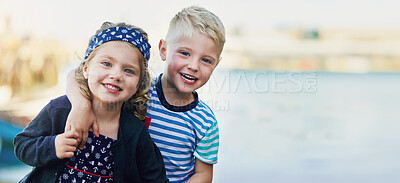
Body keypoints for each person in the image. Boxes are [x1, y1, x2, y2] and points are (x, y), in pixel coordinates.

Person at [66, 6, 225, 183]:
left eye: (206, 60)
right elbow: (76, 75)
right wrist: (81, 106)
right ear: (163, 50)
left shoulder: (206, 122)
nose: (194, 66)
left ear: (216, 64)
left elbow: (203, 174)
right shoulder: (137, 92)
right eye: (185, 53)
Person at [13, 22, 168, 183]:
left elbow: (155, 178)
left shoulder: (134, 130)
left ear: (138, 84)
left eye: (129, 70)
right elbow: (22, 145)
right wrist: (53, 146)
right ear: (86, 69)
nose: (116, 75)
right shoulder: (60, 109)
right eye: (106, 64)